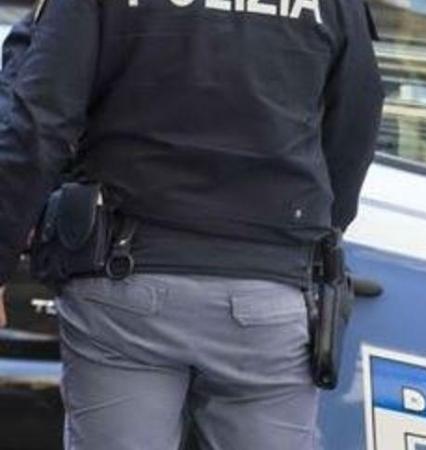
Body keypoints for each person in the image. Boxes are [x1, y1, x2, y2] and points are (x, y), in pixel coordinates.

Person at [0, 0, 383, 447]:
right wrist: (312, 238)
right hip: (267, 293)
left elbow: (38, 122)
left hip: (125, 283)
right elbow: (357, 120)